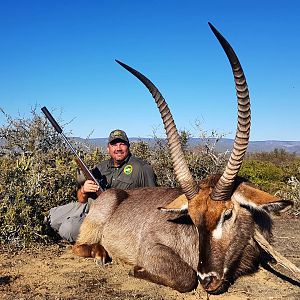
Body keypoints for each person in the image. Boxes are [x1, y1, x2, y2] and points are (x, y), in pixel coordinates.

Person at [47, 129, 156, 243]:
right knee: (52, 217)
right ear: (108, 148)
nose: (118, 148)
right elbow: (81, 200)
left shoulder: (142, 168)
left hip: (114, 218)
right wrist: (83, 190)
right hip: (91, 206)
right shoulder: (101, 167)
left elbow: (153, 202)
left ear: (128, 146)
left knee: (68, 229)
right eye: (114, 144)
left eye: (122, 144)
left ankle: (99, 243)